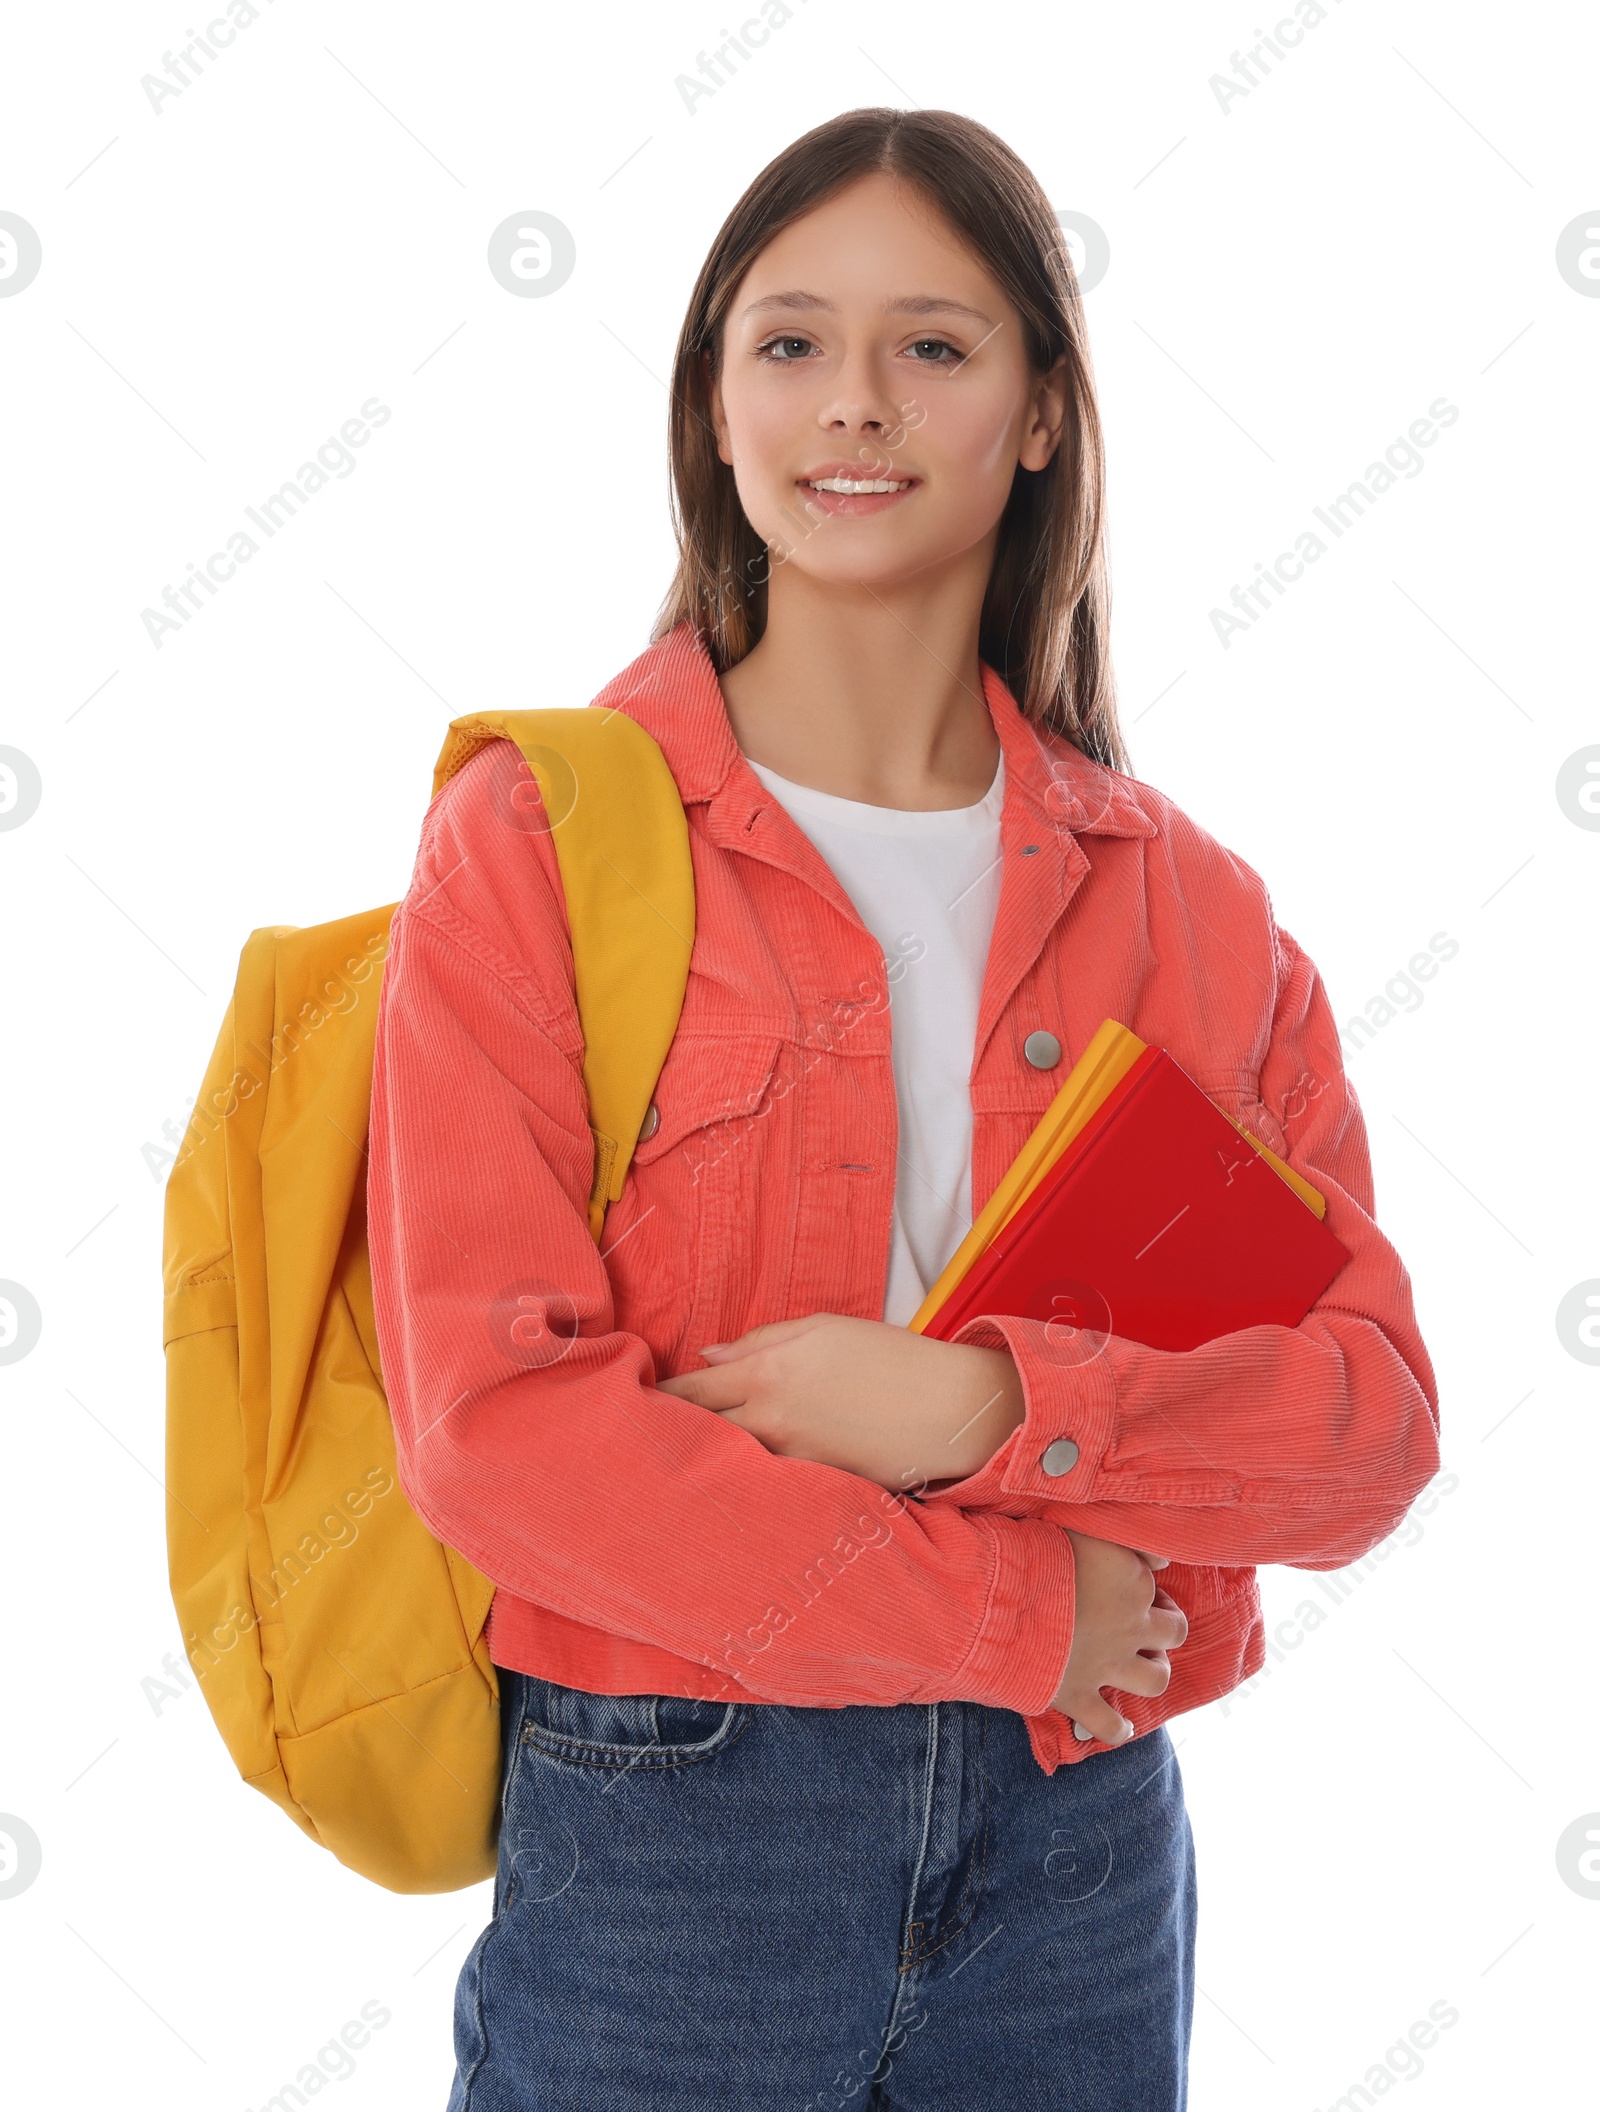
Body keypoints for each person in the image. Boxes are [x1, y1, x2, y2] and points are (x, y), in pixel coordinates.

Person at [365, 105, 1439, 2112]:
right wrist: (1014, 1603)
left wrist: (983, 1410)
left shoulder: (1186, 911)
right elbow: (494, 1433)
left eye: (932, 346)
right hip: (678, 1817)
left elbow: (1364, 1431)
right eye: (786, 343)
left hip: (1078, 1845)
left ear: (1037, 411)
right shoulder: (535, 839)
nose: (850, 403)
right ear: (706, 406)